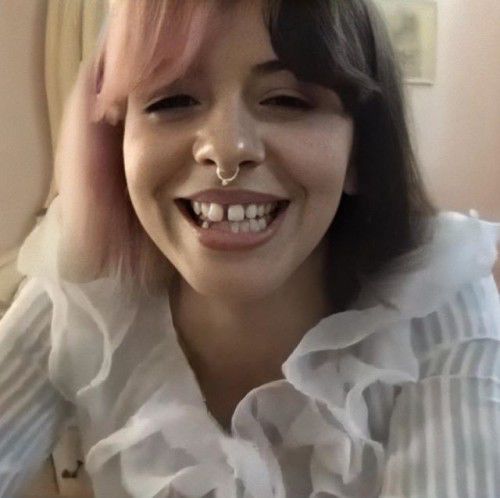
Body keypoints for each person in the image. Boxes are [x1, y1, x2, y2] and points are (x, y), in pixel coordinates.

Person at [1, 0, 499, 497]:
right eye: (171, 101)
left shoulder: (437, 298)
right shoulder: (84, 290)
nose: (226, 148)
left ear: (359, 153)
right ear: (118, 140)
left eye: (287, 100)